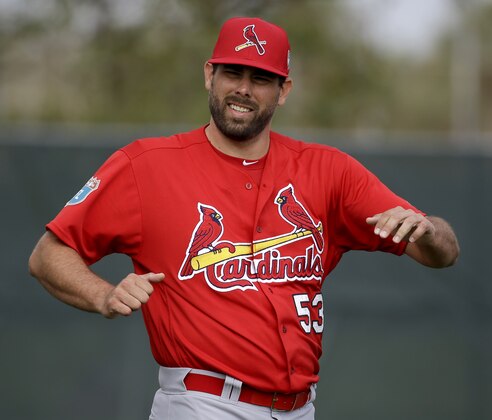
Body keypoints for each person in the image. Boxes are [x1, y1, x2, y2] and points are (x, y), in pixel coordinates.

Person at [28, 16, 459, 420]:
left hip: (300, 408)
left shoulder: (329, 172)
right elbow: (49, 255)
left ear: (284, 90)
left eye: (261, 79)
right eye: (233, 73)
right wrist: (103, 295)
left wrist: (430, 230)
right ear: (208, 76)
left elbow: (440, 252)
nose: (244, 89)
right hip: (203, 402)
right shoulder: (146, 166)